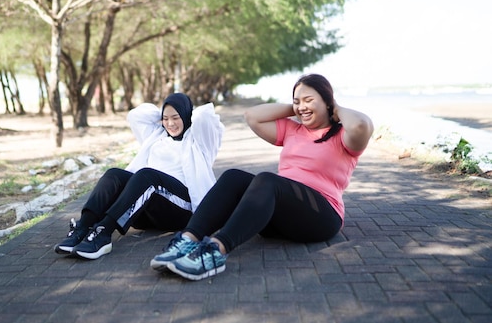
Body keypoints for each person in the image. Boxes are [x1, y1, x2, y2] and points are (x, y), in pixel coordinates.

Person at [150, 74, 374, 280]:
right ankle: (188, 240)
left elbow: (362, 125)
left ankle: (215, 252)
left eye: (308, 100)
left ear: (327, 101)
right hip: (280, 215)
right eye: (297, 101)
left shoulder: (343, 136)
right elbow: (252, 116)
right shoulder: (293, 130)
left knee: (268, 181)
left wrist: (335, 108)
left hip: (321, 216)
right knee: (233, 177)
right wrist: (296, 109)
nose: (301, 106)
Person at [54, 92, 224, 259]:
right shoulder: (157, 135)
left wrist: (186, 112)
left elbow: (205, 117)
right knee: (114, 174)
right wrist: (165, 112)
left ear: (187, 116)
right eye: (165, 119)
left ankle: (104, 232)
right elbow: (136, 115)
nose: (170, 123)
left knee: (147, 176)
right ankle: (82, 227)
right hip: (148, 205)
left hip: (182, 211)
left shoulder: (199, 141)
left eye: (176, 117)